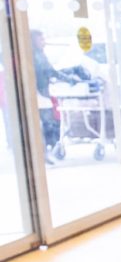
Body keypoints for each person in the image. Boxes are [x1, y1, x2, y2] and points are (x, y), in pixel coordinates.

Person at [31, 30, 79, 164]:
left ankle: (46, 152)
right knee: (48, 123)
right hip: (40, 93)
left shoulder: (38, 54)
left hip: (41, 92)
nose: (44, 42)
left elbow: (50, 72)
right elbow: (50, 71)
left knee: (46, 123)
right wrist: (67, 78)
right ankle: (46, 151)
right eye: (41, 40)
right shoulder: (36, 56)